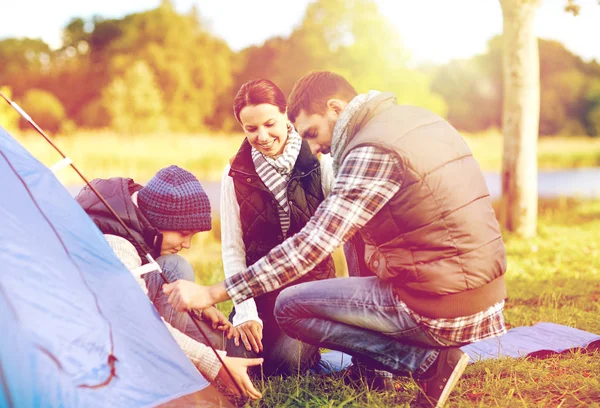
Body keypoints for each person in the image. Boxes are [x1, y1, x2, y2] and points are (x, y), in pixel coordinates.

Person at [163, 71, 507, 408]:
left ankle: (423, 363)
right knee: (263, 353)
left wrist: (211, 293)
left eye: (311, 132)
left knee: (290, 328)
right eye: (251, 128)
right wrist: (245, 309)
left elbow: (317, 243)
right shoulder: (416, 120)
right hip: (486, 296)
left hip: (441, 305)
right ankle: (387, 361)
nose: (316, 147)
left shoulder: (368, 150)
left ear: (336, 109)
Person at [75, 165, 263, 400]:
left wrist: (200, 306)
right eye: (184, 234)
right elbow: (138, 323)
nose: (187, 245)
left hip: (120, 311)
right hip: (101, 337)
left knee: (175, 266)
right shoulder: (118, 246)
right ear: (158, 220)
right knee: (218, 360)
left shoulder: (134, 218)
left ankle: (192, 357)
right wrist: (215, 364)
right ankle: (165, 376)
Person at [220, 79, 336, 376]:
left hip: (307, 296)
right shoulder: (235, 171)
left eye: (270, 123)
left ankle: (306, 353)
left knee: (287, 363)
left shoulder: (320, 161)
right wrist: (245, 313)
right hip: (257, 295)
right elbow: (234, 249)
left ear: (287, 115)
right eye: (251, 128)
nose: (262, 136)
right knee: (243, 365)